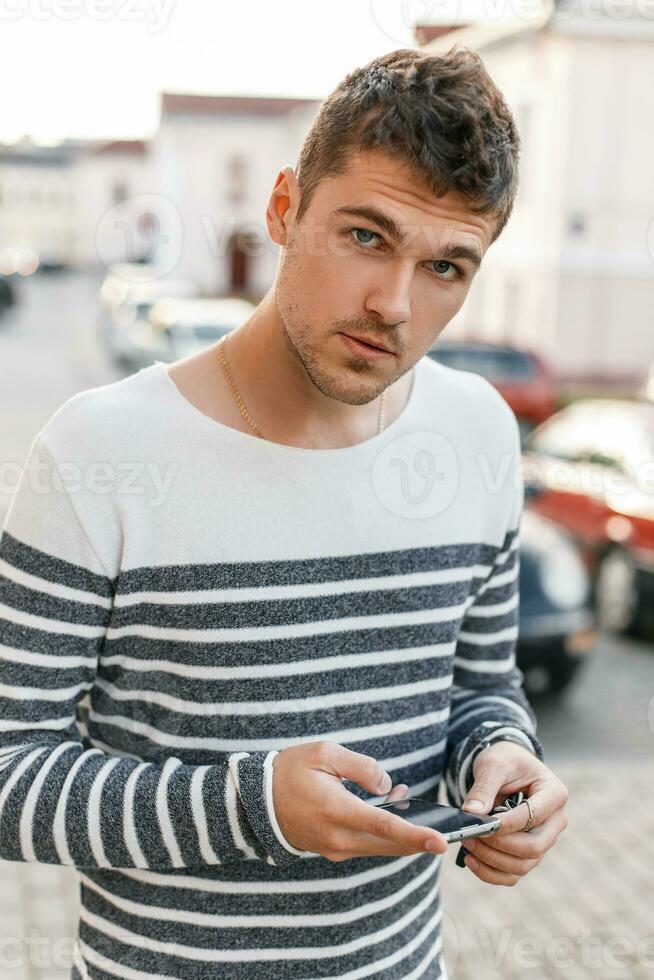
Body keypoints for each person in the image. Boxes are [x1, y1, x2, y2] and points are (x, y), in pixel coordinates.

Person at [0, 45, 568, 980]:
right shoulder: (100, 451)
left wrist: (502, 759)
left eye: (447, 266)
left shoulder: (480, 435)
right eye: (366, 236)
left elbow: (480, 687)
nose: (394, 305)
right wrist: (249, 806)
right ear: (282, 209)